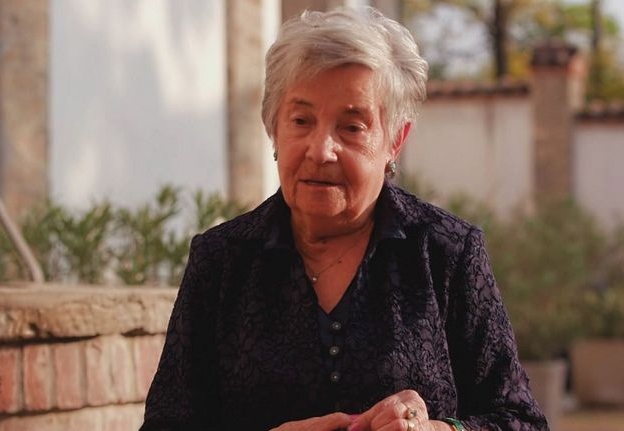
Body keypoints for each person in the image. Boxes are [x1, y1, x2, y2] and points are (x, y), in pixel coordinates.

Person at [141, 6, 547, 431]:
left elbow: (522, 421)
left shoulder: (446, 253)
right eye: (301, 120)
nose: (321, 150)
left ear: (395, 140)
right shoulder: (222, 260)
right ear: (274, 129)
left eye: (352, 127)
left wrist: (440, 430)